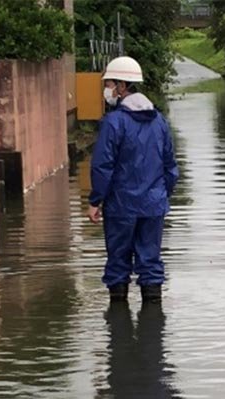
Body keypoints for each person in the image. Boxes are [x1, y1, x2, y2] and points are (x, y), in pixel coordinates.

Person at [88, 56, 179, 303]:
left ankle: (119, 328)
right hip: (153, 206)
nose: (106, 89)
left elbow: (103, 165)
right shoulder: (159, 121)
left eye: (109, 84)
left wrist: (96, 200)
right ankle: (152, 326)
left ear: (121, 86)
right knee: (150, 262)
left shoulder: (113, 123)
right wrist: (160, 195)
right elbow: (170, 166)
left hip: (121, 207)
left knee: (118, 262)